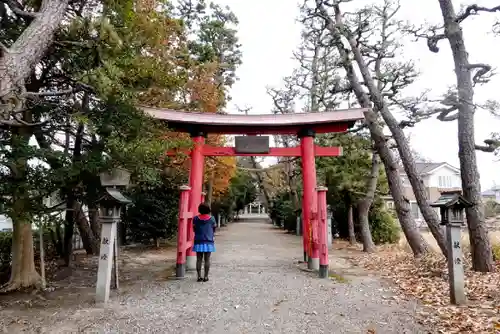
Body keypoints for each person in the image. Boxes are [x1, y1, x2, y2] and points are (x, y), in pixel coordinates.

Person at [193, 203, 216, 282]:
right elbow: (213, 228)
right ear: (208, 210)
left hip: (198, 241)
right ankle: (206, 277)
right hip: (208, 241)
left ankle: (199, 277)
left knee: (199, 259)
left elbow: (194, 229)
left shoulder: (195, 218)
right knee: (207, 259)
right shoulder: (212, 218)